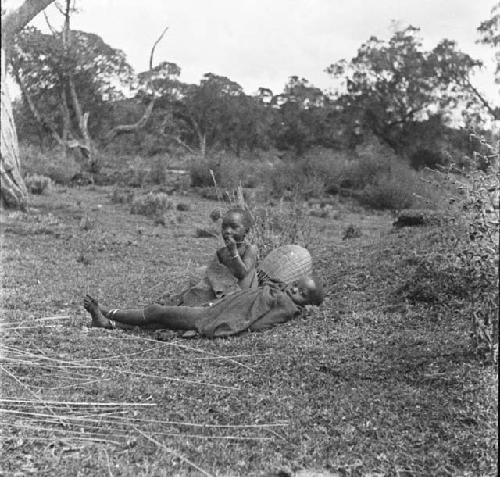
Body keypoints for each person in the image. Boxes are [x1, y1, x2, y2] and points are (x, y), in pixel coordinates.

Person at [83, 274, 324, 338]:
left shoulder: (288, 307)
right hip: (216, 308)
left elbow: (264, 321)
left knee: (157, 312)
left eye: (302, 294)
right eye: (296, 286)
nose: (294, 291)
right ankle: (108, 324)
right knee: (159, 321)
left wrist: (240, 326)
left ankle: (106, 311)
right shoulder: (281, 292)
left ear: (307, 303)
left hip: (212, 317)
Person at [167, 207, 258, 306]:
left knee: (223, 301)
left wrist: (234, 252)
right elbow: (213, 273)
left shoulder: (250, 249)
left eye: (234, 227)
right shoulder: (222, 252)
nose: (227, 231)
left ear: (247, 231)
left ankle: (214, 304)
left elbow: (242, 273)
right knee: (196, 290)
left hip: (240, 290)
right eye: (224, 227)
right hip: (220, 289)